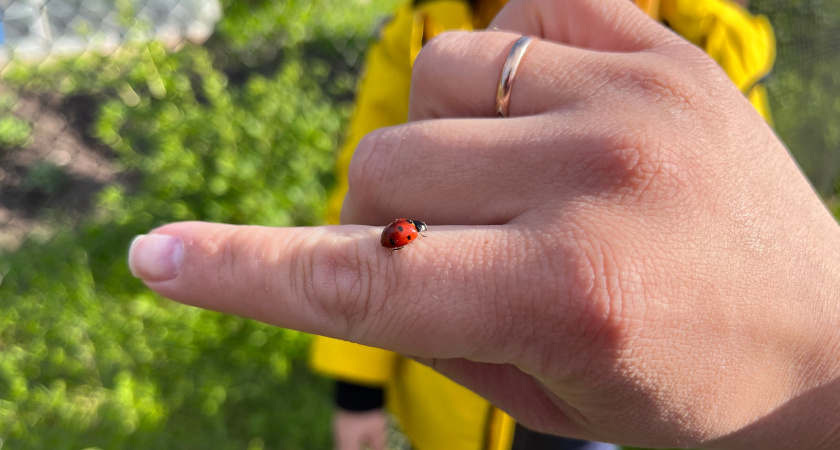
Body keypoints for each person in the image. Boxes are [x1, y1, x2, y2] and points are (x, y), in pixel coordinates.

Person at [127, 0, 840, 448]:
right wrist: (357, 389)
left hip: (640, 401)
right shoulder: (414, 35)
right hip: (461, 410)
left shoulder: (695, 37)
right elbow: (363, 203)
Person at [312, 0, 775, 449]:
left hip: (600, 378)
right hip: (451, 400)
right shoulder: (422, 29)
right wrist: (358, 391)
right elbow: (368, 198)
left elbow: (747, 226)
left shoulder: (708, 39)